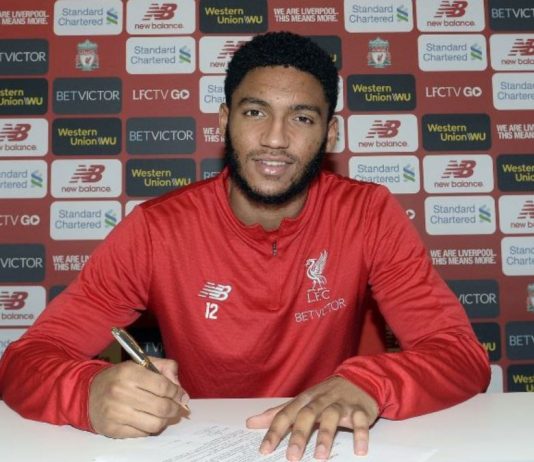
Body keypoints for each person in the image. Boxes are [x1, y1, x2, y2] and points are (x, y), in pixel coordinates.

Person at [0, 32, 489, 461]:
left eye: (302, 118)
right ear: (224, 120)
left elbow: (462, 357)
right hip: (201, 445)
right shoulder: (157, 229)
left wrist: (370, 384)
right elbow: (25, 360)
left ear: (330, 134)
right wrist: (86, 392)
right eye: (255, 112)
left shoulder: (368, 213)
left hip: (330, 447)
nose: (275, 139)